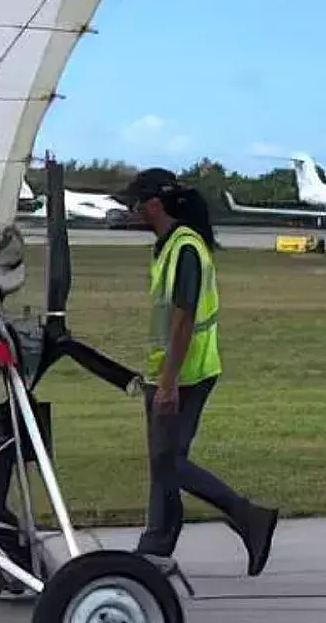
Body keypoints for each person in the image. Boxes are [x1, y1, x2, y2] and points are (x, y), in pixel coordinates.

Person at [117, 167, 279, 576]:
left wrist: (169, 382)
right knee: (166, 462)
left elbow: (184, 317)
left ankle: (247, 517)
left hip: (185, 375)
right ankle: (156, 548)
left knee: (167, 462)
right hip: (175, 371)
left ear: (155, 203)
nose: (131, 210)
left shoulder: (184, 247)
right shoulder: (171, 244)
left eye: (135, 203)